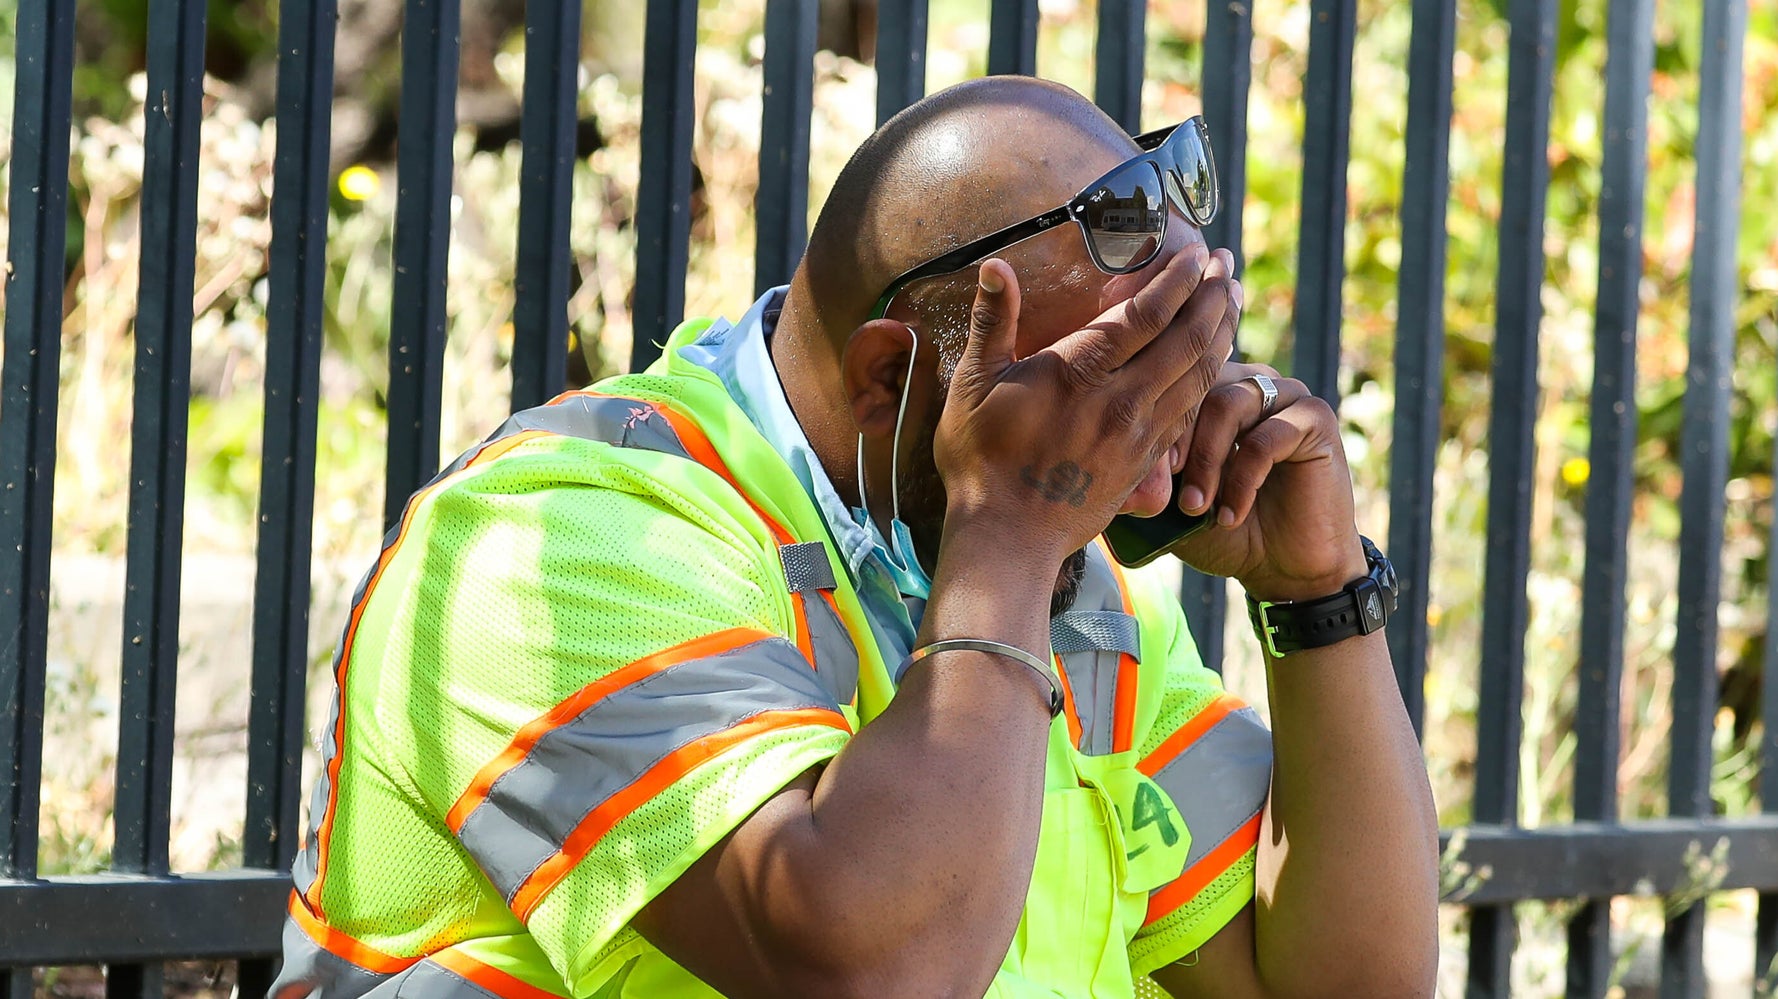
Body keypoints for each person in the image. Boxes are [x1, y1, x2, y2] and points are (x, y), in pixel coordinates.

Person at [272, 76, 1439, 998]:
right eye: (1107, 398)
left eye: (1177, 383)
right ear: (888, 374)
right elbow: (875, 972)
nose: (1144, 473)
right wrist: (1008, 536)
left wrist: (1317, 596)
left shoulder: (1067, 589)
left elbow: (1346, 984)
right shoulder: (553, 543)